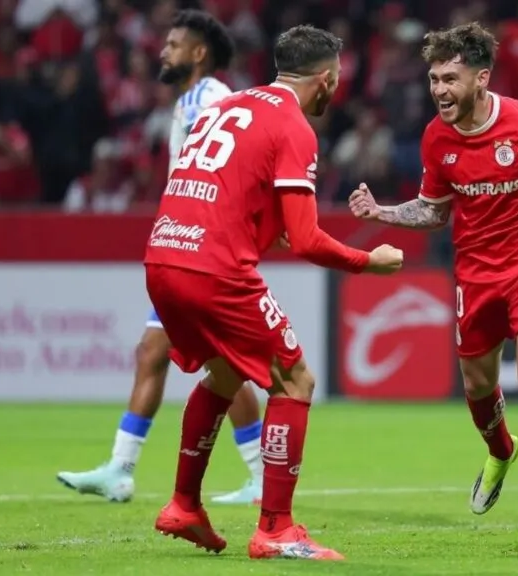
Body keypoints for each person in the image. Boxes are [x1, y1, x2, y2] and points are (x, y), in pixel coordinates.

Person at [348, 22, 518, 538]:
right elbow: (434, 212)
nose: (439, 90)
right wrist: (382, 211)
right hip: (475, 271)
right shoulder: (436, 138)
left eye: (450, 78)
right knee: (477, 384)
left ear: (482, 78)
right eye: (433, 79)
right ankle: (501, 451)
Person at [146, 25, 403, 561]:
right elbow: (307, 239)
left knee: (223, 372)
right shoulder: (295, 126)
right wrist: (368, 261)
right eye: (338, 81)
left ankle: (184, 504)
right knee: (295, 379)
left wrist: (267, 225)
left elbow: (224, 188)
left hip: (163, 256)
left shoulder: (228, 104)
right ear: (326, 79)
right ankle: (276, 528)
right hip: (215, 270)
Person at [57, 10, 265, 505]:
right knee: (154, 353)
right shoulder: (190, 101)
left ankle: (261, 477)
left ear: (198, 53)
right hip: (187, 245)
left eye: (173, 44)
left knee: (223, 364)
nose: (163, 51)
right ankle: (120, 469)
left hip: (204, 247)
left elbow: (233, 162)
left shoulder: (211, 98)